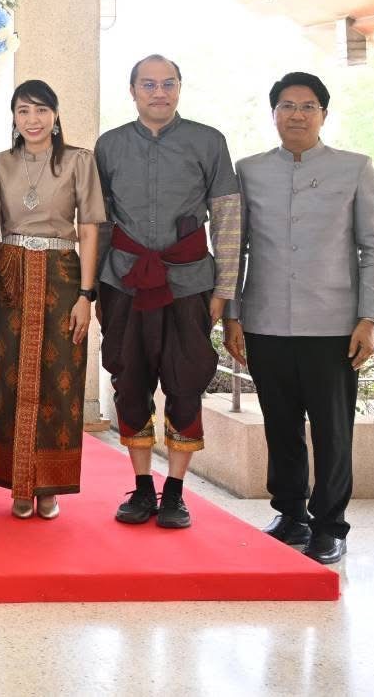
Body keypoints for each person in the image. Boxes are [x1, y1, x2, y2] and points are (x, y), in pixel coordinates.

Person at [224, 72, 374, 565]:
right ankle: (291, 514)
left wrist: (369, 318)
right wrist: (233, 314)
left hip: (334, 324)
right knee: (280, 424)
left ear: (323, 114)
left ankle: (330, 525)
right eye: (288, 106)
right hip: (266, 320)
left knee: (333, 429)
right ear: (273, 113)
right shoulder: (249, 170)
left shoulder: (354, 168)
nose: (297, 114)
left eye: (308, 106)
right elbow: (237, 249)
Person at [96, 54, 241, 530]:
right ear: (132, 90)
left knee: (185, 386)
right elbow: (96, 222)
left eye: (168, 83)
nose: (159, 92)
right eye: (149, 84)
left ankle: (176, 493)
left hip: (189, 284)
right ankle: (140, 489)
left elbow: (226, 219)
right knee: (130, 384)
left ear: (180, 88)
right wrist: (93, 289)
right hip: (124, 282)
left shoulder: (208, 142)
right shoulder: (110, 146)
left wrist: (224, 290)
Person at [0, 80, 104, 521]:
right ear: (14, 118)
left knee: (62, 375)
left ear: (55, 115)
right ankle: (19, 483)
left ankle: (49, 486)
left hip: (61, 274)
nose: (32, 120)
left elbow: (90, 228)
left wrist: (86, 295)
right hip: (11, 274)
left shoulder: (79, 161)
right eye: (23, 111)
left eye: (41, 110)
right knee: (10, 377)